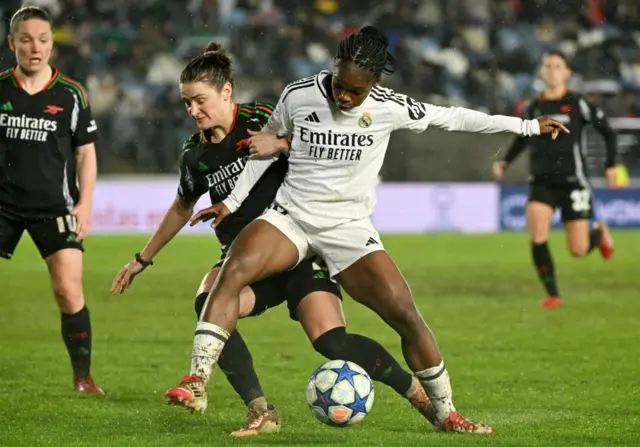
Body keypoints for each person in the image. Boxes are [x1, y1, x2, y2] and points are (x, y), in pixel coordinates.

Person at [165, 26, 569, 434]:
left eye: (354, 92)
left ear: (375, 84)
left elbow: (455, 118)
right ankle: (197, 379)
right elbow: (264, 146)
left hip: (348, 227)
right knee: (233, 267)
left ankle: (446, 413)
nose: (343, 96)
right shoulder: (299, 95)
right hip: (291, 215)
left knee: (405, 314)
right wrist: (232, 204)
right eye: (339, 85)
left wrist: (528, 127)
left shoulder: (391, 107)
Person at [112, 42, 438, 437]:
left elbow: (321, 143)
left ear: (226, 91)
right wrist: (141, 259)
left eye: (200, 101)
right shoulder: (195, 155)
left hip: (301, 251)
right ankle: (259, 409)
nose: (193, 111)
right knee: (210, 299)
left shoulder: (262, 118)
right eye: (186, 104)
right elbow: (182, 206)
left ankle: (416, 392)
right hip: (249, 263)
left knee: (332, 343)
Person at [0, 6, 101, 393]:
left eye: (43, 40)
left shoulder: (71, 94)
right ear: (13, 43)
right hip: (4, 206)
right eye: (26, 40)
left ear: (51, 45)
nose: (35, 48)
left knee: (67, 289)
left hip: (55, 207)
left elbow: (86, 153)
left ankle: (83, 378)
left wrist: (85, 204)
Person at [493, 51, 617, 309]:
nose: (551, 70)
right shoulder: (533, 107)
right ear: (542, 72)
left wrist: (610, 165)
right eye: (547, 65)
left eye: (557, 66)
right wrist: (505, 160)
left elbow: (608, 132)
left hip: (573, 182)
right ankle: (553, 294)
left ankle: (598, 235)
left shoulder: (577, 103)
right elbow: (523, 137)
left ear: (567, 72)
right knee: (538, 236)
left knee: (578, 249)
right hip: (542, 181)